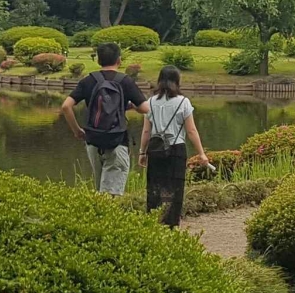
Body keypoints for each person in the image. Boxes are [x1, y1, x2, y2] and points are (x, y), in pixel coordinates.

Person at [61, 42, 149, 196]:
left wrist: (77, 131)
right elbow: (145, 109)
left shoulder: (88, 81)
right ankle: (107, 218)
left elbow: (66, 107)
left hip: (93, 140)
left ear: (98, 60)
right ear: (119, 60)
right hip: (117, 141)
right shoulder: (125, 81)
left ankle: (96, 217)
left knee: (100, 188)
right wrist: (128, 106)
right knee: (111, 194)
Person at [138, 65, 209, 228]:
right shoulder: (183, 102)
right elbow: (191, 130)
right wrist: (201, 153)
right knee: (175, 187)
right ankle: (171, 223)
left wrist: (142, 152)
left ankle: (153, 220)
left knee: (155, 185)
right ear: (177, 81)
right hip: (176, 149)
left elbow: (146, 131)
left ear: (160, 80)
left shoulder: (150, 102)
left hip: (155, 149)